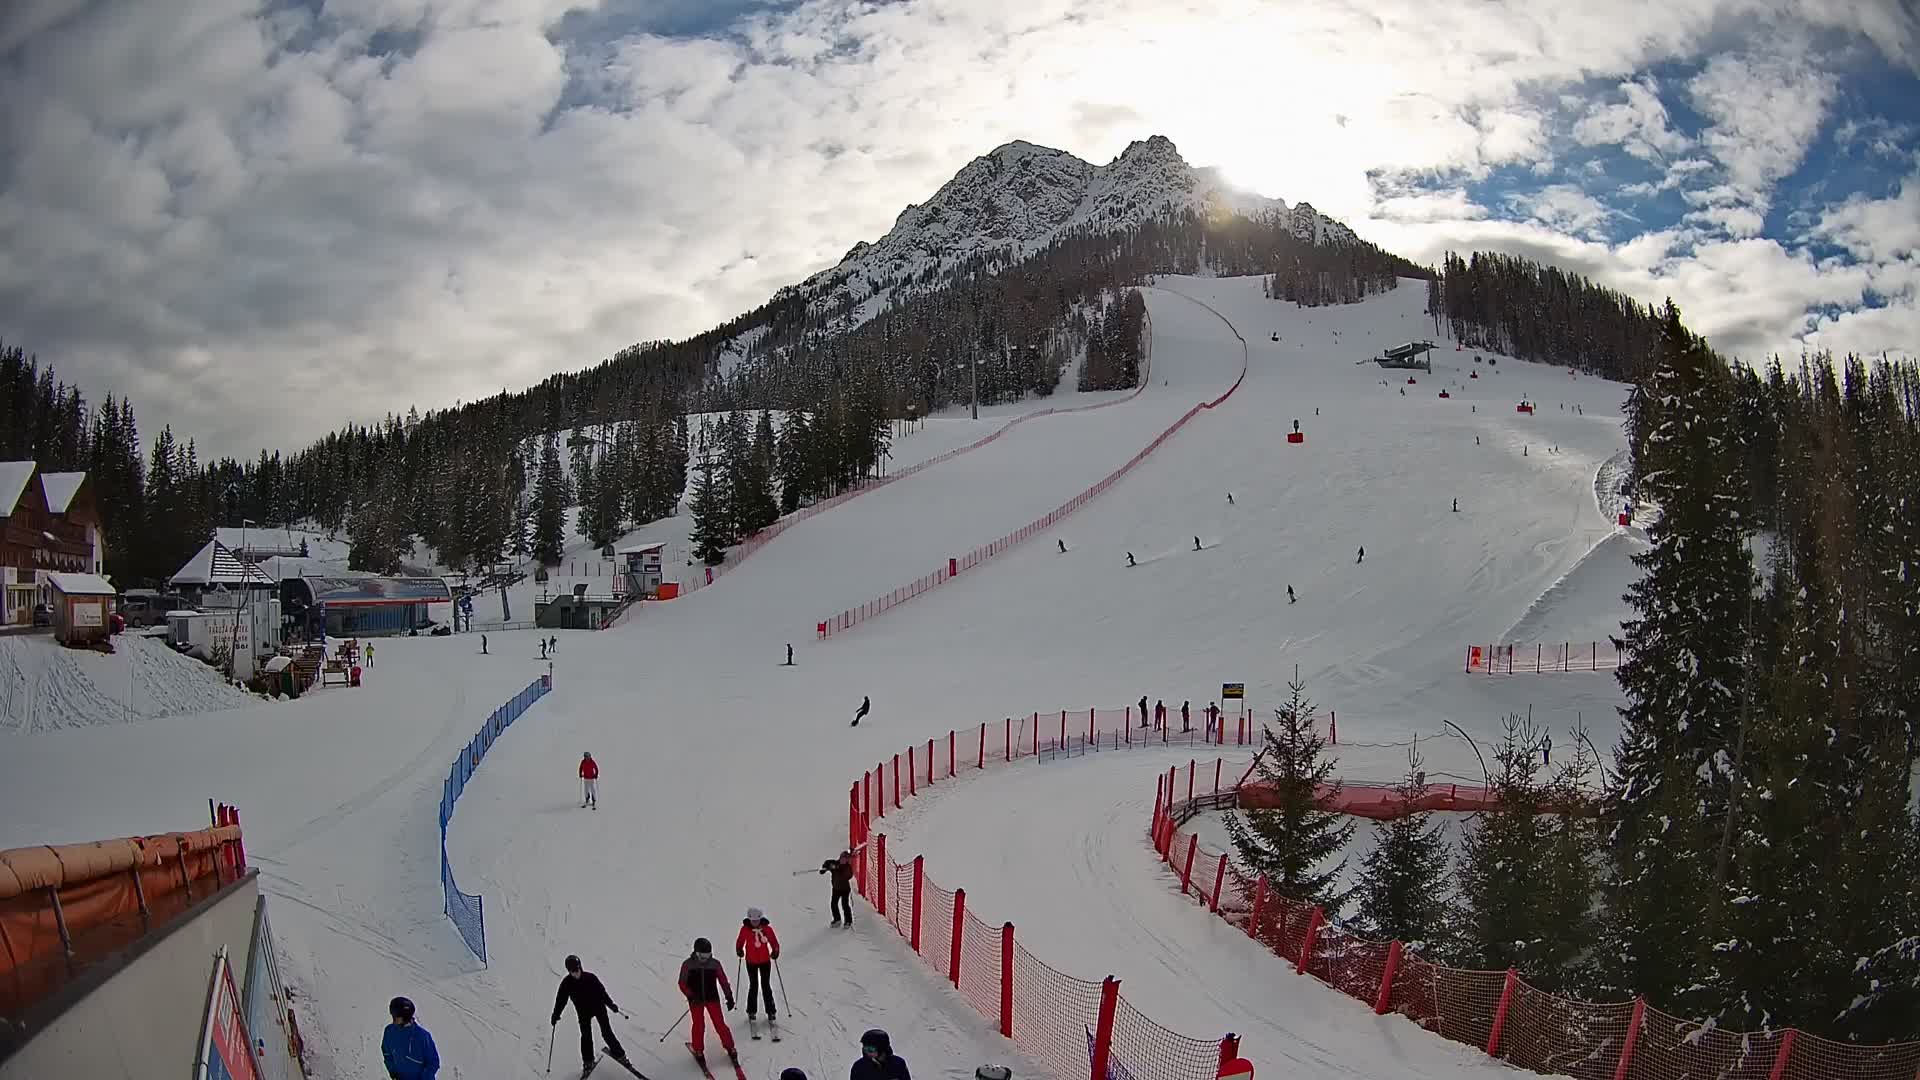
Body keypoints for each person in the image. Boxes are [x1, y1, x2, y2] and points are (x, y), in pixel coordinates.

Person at [552, 955, 625, 1072]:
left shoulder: (590, 978)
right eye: (572, 972)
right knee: (586, 1037)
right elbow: (561, 1000)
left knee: (607, 1032)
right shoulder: (566, 984)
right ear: (569, 971)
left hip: (599, 1008)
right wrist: (555, 1014)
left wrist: (611, 1005)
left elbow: (602, 993)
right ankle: (588, 1062)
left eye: (577, 970)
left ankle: (620, 1055)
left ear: (580, 967)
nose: (575, 973)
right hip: (583, 1012)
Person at [678, 938, 738, 1067]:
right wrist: (691, 996)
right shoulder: (688, 965)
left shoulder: (715, 964)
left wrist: (729, 996)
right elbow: (682, 983)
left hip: (712, 999)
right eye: (702, 956)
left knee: (720, 1024)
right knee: (699, 1024)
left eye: (708, 955)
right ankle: (698, 1050)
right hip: (696, 1001)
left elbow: (723, 980)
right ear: (696, 953)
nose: (705, 958)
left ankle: (730, 1047)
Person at [736, 908, 781, 1030]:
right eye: (753, 920)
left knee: (766, 985)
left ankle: (771, 1011)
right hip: (751, 962)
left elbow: (774, 941)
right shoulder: (745, 929)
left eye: (757, 920)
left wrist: (775, 951)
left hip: (765, 961)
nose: (755, 922)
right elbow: (740, 941)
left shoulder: (767, 929)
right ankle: (751, 1011)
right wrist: (739, 949)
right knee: (754, 985)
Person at [383, 996, 440, 1080]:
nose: (393, 1019)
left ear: (405, 1017)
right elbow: (387, 1053)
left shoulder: (422, 1036)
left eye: (396, 1016)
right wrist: (393, 1073)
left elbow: (433, 1063)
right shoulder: (389, 1031)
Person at [821, 850, 855, 926]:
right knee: (833, 904)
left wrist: (836, 868)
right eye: (842, 858)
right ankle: (837, 919)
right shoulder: (835, 863)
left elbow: (848, 876)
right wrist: (825, 867)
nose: (843, 860)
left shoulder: (847, 867)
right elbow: (828, 862)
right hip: (836, 888)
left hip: (845, 889)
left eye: (845, 859)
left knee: (845, 904)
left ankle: (848, 921)